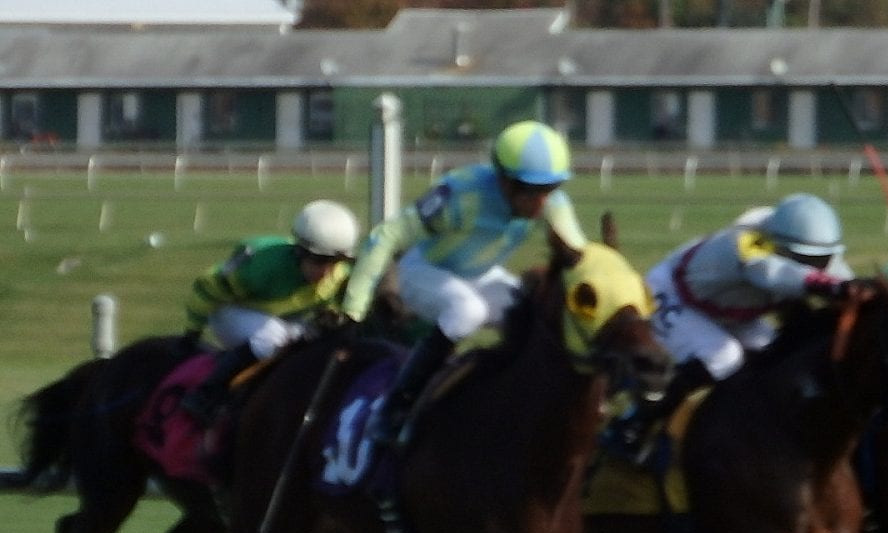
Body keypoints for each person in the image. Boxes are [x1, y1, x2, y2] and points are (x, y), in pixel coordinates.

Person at [340, 119, 588, 446]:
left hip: (479, 274)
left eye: (550, 189)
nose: (542, 202)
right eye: (531, 190)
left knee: (536, 311)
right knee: (466, 310)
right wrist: (353, 309)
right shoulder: (459, 193)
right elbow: (386, 236)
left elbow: (580, 259)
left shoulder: (552, 203)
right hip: (422, 271)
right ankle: (395, 408)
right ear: (503, 179)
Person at [605, 192, 853, 463]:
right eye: (806, 260)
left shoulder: (794, 242)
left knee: (774, 353)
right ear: (779, 246)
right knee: (723, 356)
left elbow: (844, 279)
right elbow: (773, 272)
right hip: (669, 295)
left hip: (728, 313)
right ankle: (634, 422)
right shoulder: (745, 244)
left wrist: (863, 290)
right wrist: (833, 286)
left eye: (822, 260)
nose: (817, 267)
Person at [180, 199, 360, 424]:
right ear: (299, 251)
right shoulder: (265, 265)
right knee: (274, 337)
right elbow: (207, 287)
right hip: (229, 311)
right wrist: (191, 333)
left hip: (279, 317)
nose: (327, 271)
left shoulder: (340, 275)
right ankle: (207, 393)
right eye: (319, 261)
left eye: (336, 261)